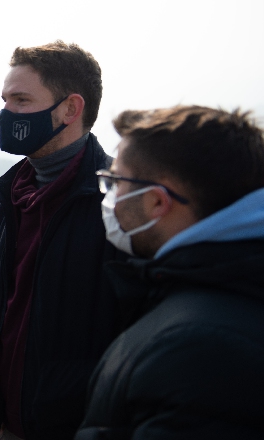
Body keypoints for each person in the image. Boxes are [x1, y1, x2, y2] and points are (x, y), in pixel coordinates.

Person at [74, 106, 264, 439]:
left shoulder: (200, 350)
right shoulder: (222, 293)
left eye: (117, 182)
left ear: (156, 203)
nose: (111, 198)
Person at [0, 41, 125, 440]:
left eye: (22, 100)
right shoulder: (10, 193)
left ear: (71, 109)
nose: (7, 113)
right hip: (2, 422)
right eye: (5, 100)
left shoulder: (118, 206)